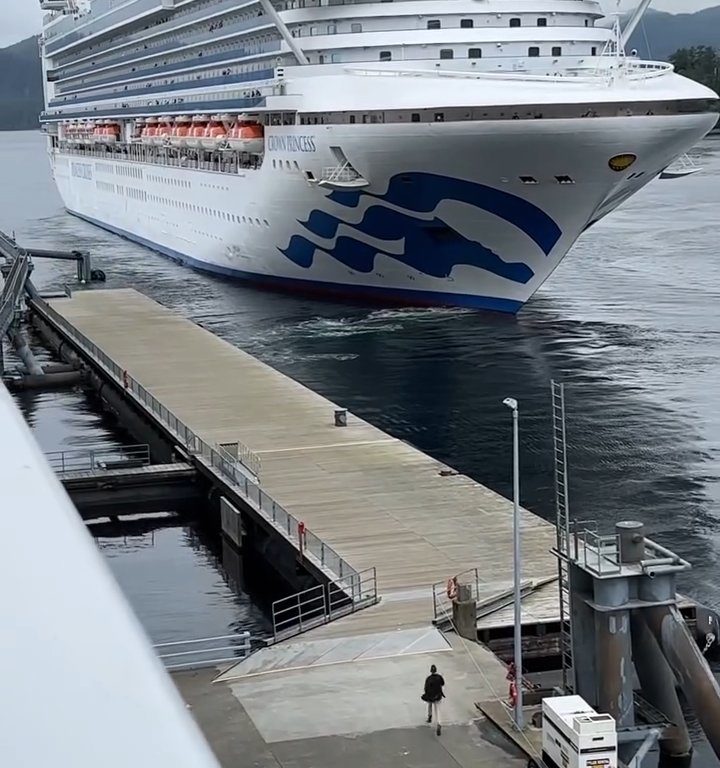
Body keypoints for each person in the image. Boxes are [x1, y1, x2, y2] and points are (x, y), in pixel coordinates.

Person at [422, 664, 445, 735]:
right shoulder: (439, 677)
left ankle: (429, 716)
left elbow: (425, 688)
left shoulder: (428, 678)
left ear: (430, 671)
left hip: (430, 697)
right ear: (436, 670)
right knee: (438, 710)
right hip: (438, 696)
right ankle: (439, 724)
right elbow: (443, 683)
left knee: (429, 705)